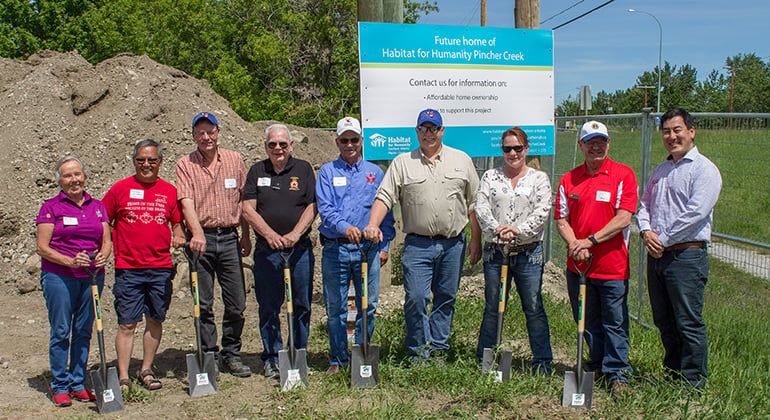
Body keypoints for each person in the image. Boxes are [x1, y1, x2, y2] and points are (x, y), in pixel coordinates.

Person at [363, 108, 480, 362]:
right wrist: (373, 224)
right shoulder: (403, 163)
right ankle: (417, 351)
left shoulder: (461, 160)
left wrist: (476, 240)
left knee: (445, 298)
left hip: (453, 245)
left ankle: (438, 349)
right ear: (417, 131)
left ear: (442, 131)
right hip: (417, 245)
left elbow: (474, 203)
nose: (429, 134)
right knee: (416, 297)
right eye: (424, 128)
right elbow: (384, 196)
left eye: (434, 128)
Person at [637, 108, 722, 389]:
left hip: (686, 255)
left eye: (677, 130)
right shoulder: (660, 170)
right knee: (664, 319)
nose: (671, 136)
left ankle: (693, 382)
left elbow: (696, 213)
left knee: (688, 320)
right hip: (658, 255)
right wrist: (646, 231)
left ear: (691, 132)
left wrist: (663, 238)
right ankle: (672, 375)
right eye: (666, 131)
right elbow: (644, 205)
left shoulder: (704, 170)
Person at [554, 121, 638, 395]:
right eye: (590, 142)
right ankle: (597, 364)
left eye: (601, 141)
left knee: (614, 321)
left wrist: (590, 241)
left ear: (608, 144)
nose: (596, 147)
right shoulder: (569, 179)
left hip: (612, 265)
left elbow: (624, 218)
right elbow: (561, 220)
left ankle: (617, 373)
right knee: (586, 321)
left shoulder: (622, 175)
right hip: (578, 265)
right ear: (581, 146)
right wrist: (575, 245)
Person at [102, 139, 185, 391]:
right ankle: (124, 375)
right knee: (127, 323)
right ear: (134, 161)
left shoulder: (169, 191)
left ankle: (146, 369)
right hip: (128, 268)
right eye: (141, 160)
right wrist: (106, 245)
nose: (146, 164)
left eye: (151, 160)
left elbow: (177, 222)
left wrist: (179, 234)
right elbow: (103, 218)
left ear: (160, 162)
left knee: (155, 319)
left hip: (160, 267)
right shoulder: (120, 189)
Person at [316, 117, 396, 374]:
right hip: (336, 248)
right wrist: (344, 227)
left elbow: (386, 209)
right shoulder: (328, 172)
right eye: (344, 140)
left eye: (354, 139)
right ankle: (338, 359)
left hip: (368, 250)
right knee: (336, 307)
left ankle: (362, 355)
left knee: (368, 305)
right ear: (337, 142)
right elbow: (325, 208)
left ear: (361, 141)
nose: (349, 144)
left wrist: (385, 246)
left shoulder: (376, 173)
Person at [175, 112, 252, 377]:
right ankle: (208, 354)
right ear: (194, 136)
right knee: (203, 303)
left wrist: (245, 235)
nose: (206, 138)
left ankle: (231, 353)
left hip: (230, 238)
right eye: (200, 134)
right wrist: (196, 234)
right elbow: (185, 201)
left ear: (218, 132)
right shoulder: (185, 164)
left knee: (236, 302)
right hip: (201, 240)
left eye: (210, 132)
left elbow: (243, 201)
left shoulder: (234, 160)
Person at [473, 127, 553, 375]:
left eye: (518, 148)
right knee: (494, 306)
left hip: (529, 253)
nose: (513, 153)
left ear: (526, 149)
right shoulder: (490, 176)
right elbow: (481, 207)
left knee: (533, 305)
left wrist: (517, 230)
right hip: (496, 253)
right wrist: (499, 229)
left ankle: (542, 361)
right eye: (507, 148)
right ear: (502, 150)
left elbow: (543, 211)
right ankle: (486, 359)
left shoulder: (539, 179)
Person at [242, 124, 317, 378]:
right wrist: (271, 236)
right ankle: (272, 357)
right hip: (268, 250)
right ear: (266, 146)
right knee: (269, 305)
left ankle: (298, 353)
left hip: (299, 250)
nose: (278, 149)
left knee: (301, 304)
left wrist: (295, 234)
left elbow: (312, 204)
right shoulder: (256, 171)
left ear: (291, 145)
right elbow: (248, 209)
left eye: (283, 144)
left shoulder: (303, 169)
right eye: (272, 144)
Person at [36, 156, 111, 407]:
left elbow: (107, 240)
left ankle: (78, 382)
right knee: (61, 330)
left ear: (85, 177)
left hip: (91, 277)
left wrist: (104, 256)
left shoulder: (98, 206)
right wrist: (69, 261)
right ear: (59, 180)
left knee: (84, 329)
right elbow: (42, 247)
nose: (73, 180)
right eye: (67, 176)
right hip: (60, 277)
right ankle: (59, 385)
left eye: (77, 174)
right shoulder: (51, 207)